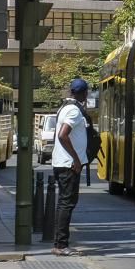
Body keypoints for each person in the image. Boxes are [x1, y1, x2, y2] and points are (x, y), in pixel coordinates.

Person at [52, 78, 91, 256]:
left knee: (64, 204)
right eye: (86, 92)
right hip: (68, 165)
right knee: (67, 204)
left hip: (63, 163)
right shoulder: (74, 110)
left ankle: (60, 243)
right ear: (83, 93)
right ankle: (61, 245)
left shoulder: (65, 108)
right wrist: (76, 159)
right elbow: (63, 135)